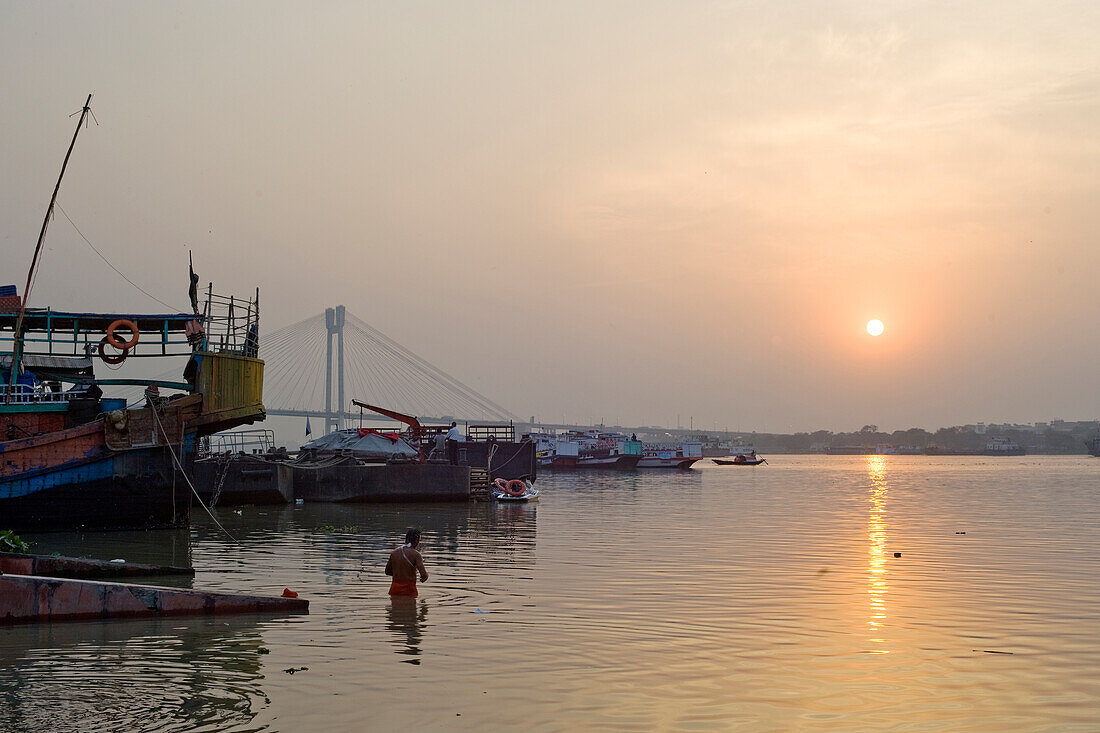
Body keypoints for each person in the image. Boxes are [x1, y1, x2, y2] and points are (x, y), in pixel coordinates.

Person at [385, 528, 428, 597]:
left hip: (394, 589)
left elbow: (387, 572)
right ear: (416, 541)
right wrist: (424, 578)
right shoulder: (416, 555)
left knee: (395, 607)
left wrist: (399, 573)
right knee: (410, 607)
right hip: (409, 590)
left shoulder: (394, 553)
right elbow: (424, 575)